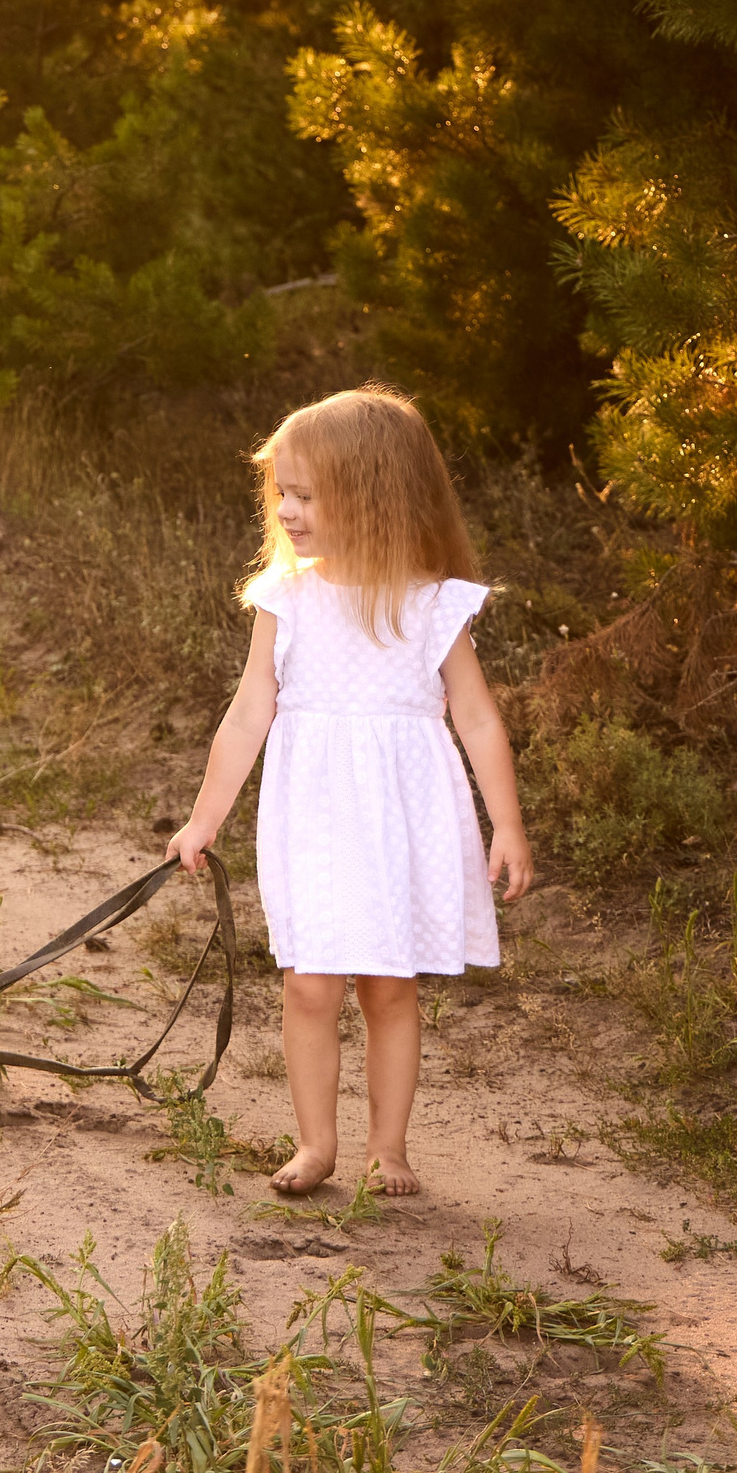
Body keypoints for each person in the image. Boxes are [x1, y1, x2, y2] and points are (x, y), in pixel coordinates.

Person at [166, 385, 533, 1196]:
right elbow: (246, 714)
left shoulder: (433, 603)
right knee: (309, 983)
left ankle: (389, 1148)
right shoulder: (286, 598)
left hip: (404, 822)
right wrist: (203, 819)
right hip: (317, 818)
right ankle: (317, 1145)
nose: (287, 511)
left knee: (390, 986)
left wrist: (506, 824)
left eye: (306, 494)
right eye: (282, 493)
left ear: (370, 495)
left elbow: (476, 717)